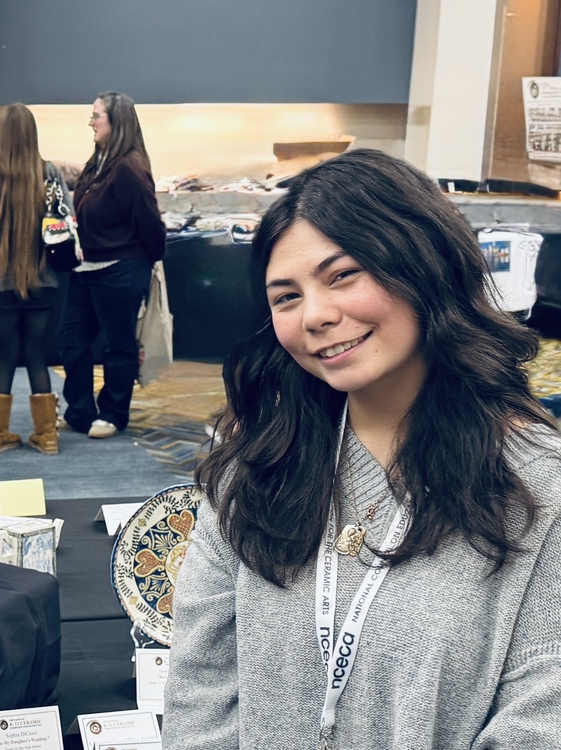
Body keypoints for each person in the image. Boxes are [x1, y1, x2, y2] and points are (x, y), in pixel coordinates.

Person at [163, 149, 561, 749]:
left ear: (422, 263)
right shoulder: (259, 466)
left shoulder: (538, 485)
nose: (316, 316)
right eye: (286, 297)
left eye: (343, 274)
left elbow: (540, 720)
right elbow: (200, 688)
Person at [0, 103, 71, 454]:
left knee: (6, 353)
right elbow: (65, 221)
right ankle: (48, 436)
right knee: (36, 352)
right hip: (44, 275)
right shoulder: (50, 172)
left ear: (0, 135)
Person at [56, 91, 165, 439]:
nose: (91, 122)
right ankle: (80, 411)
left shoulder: (129, 168)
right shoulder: (98, 161)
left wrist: (148, 261)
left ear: (116, 121)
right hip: (86, 268)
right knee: (71, 341)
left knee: (118, 345)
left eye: (96, 116)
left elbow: (149, 223)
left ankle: (114, 413)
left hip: (120, 267)